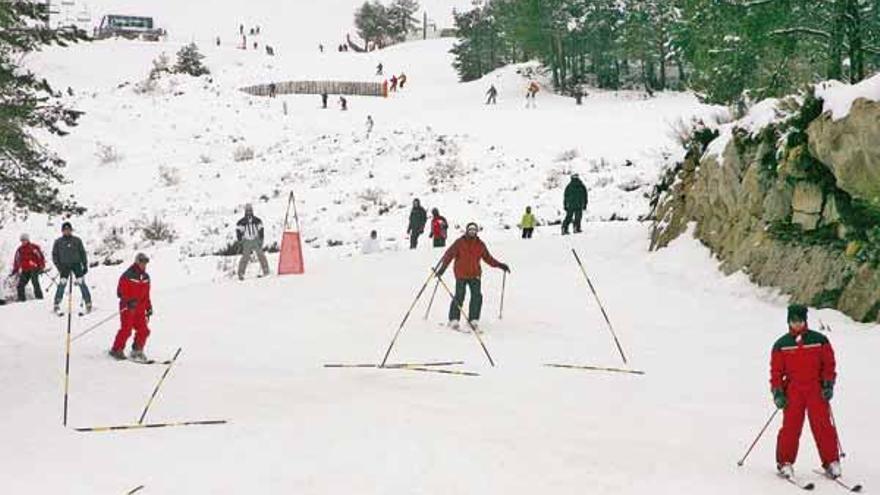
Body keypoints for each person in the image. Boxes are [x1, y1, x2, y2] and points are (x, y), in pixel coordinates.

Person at [771, 304, 842, 480]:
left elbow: (829, 364)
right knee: (791, 427)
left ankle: (831, 462)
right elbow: (776, 372)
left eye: (800, 321)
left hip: (815, 390)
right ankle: (784, 463)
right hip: (793, 391)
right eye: (793, 321)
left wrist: (828, 384)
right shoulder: (782, 344)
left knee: (822, 425)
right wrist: (778, 392)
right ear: (789, 322)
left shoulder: (819, 340)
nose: (797, 324)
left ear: (805, 321)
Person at [436, 222, 510, 331]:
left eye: (474, 230)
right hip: (461, 274)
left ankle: (473, 319)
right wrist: (442, 269)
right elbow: (449, 255)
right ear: (467, 231)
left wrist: (500, 265)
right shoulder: (460, 242)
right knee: (459, 295)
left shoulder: (480, 244)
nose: (472, 232)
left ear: (476, 232)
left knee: (477, 296)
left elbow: (488, 259)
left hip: (475, 274)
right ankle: (453, 320)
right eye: (470, 230)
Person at [109, 253, 153, 362]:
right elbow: (120, 291)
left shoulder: (146, 277)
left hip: (140, 308)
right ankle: (116, 349)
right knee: (126, 329)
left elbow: (146, 294)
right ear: (137, 262)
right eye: (142, 262)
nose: (144, 264)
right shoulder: (128, 275)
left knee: (144, 330)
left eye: (145, 262)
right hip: (128, 307)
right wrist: (128, 301)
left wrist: (149, 307)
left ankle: (137, 351)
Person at [52, 222, 92, 314]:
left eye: (68, 230)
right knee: (62, 284)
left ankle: (88, 302)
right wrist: (59, 266)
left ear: (71, 230)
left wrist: (85, 265)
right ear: (62, 231)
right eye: (65, 230)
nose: (67, 231)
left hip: (76, 264)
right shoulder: (58, 242)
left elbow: (82, 253)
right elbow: (55, 255)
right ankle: (57, 303)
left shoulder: (77, 240)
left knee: (81, 283)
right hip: (64, 265)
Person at [236, 204, 270, 280]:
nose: (249, 212)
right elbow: (238, 231)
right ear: (245, 211)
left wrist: (261, 239)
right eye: (247, 210)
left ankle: (266, 270)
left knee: (261, 255)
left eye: (250, 210)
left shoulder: (257, 220)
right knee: (245, 257)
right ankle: (241, 273)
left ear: (252, 211)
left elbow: (261, 230)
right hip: (247, 241)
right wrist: (240, 240)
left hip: (255, 239)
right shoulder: (241, 221)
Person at [12, 233, 46, 302]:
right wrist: (15, 269)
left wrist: (41, 266)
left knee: (35, 282)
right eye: (22, 240)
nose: (23, 242)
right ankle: (21, 300)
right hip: (25, 270)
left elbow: (40, 257)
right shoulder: (19, 249)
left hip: (34, 268)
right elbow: (16, 260)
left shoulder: (33, 247)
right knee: (20, 285)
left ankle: (39, 298)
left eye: (25, 240)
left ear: (28, 240)